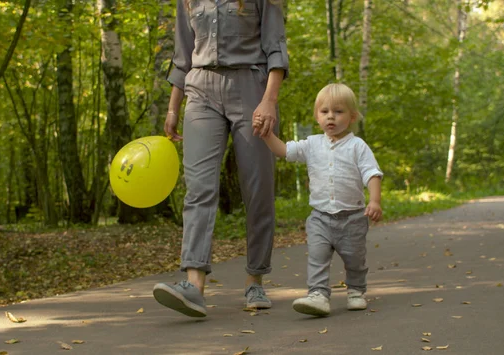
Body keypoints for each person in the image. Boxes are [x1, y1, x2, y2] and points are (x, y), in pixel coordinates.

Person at [152, 0, 289, 318]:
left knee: (257, 190)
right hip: (199, 91)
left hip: (251, 87)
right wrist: (173, 108)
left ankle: (255, 278)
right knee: (198, 188)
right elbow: (182, 56)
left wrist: (269, 101)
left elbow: (276, 49)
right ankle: (194, 285)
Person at [252, 83, 383, 317]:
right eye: (325, 112)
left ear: (352, 117)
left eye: (338, 111)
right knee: (317, 257)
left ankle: (355, 291)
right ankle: (318, 295)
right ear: (317, 116)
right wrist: (267, 135)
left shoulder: (357, 146)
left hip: (352, 218)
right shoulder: (311, 144)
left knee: (355, 259)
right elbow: (283, 151)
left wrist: (374, 201)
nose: (331, 117)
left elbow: (372, 173)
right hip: (320, 218)